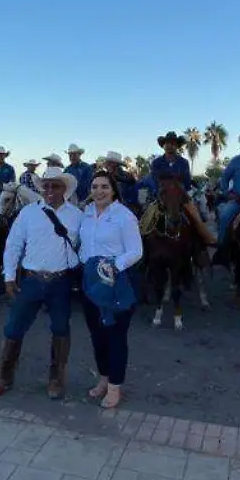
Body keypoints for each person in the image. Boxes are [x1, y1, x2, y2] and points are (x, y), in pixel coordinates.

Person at [0, 168, 84, 401]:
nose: (49, 190)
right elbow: (13, 245)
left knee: (60, 329)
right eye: (46, 186)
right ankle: (3, 379)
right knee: (13, 329)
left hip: (61, 282)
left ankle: (56, 379)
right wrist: (9, 277)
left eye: (55, 186)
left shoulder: (77, 215)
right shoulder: (28, 213)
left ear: (64, 189)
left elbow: (85, 245)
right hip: (31, 280)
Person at [78, 170, 143, 409]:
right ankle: (103, 378)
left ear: (113, 190)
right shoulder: (86, 214)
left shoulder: (124, 216)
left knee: (115, 336)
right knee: (97, 335)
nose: (99, 191)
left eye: (104, 186)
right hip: (90, 282)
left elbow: (136, 251)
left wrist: (113, 265)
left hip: (116, 283)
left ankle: (115, 387)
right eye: (95, 187)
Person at [143, 131, 216, 246]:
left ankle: (203, 243)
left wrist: (178, 188)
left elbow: (186, 183)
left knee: (196, 217)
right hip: (161, 195)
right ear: (163, 145)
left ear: (177, 146)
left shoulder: (184, 162)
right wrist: (161, 190)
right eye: (167, 143)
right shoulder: (156, 163)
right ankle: (142, 250)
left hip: (180, 195)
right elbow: (155, 181)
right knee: (145, 221)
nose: (170, 145)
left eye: (173, 143)